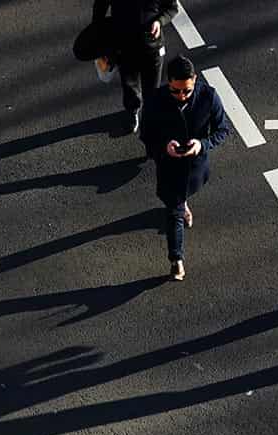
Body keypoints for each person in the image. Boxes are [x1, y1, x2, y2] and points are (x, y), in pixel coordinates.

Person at [138, 55, 231, 280]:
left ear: (195, 81)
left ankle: (184, 204)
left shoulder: (209, 97)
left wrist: (202, 144)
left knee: (180, 201)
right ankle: (176, 259)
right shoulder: (155, 100)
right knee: (174, 211)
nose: (181, 96)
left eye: (187, 91)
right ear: (167, 82)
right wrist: (163, 146)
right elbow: (146, 135)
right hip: (168, 164)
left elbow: (223, 129)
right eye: (176, 91)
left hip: (196, 165)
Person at [92, 0, 178, 134]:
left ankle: (150, 116)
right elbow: (100, 6)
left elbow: (171, 8)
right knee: (129, 85)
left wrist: (159, 21)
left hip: (152, 47)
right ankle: (132, 111)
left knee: (152, 87)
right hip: (124, 46)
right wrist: (98, 35)